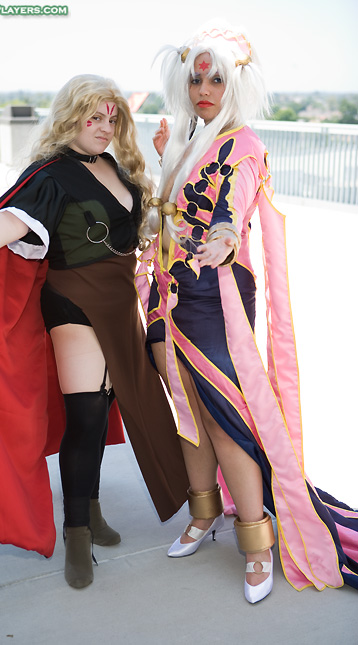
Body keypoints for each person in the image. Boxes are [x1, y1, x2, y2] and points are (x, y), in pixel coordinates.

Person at [0, 75, 188, 589]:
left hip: (118, 302)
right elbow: (13, 221)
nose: (105, 127)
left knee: (104, 408)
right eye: (94, 117)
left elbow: (148, 226)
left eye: (112, 118)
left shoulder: (115, 166)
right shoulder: (52, 173)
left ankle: (91, 507)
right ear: (72, 116)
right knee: (86, 414)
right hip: (73, 299)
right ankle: (76, 533)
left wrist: (169, 161)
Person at [135, 22, 358, 602]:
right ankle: (204, 511)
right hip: (165, 294)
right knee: (186, 408)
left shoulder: (244, 143)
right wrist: (166, 161)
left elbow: (231, 206)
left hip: (214, 297)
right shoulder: (190, 138)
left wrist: (225, 236)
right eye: (195, 80)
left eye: (215, 80)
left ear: (235, 84)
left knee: (224, 418)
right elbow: (174, 212)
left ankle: (257, 543)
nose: (204, 90)